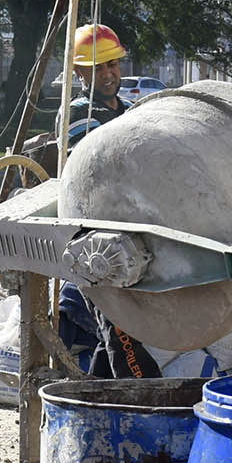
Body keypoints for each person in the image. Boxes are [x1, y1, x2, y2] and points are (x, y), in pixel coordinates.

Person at [51, 22, 159, 377]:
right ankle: (140, 396)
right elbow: (94, 176)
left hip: (132, 227)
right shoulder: (78, 117)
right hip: (97, 236)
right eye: (98, 67)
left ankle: (97, 387)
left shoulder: (130, 109)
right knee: (119, 324)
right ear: (80, 71)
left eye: (112, 64)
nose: (108, 73)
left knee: (115, 326)